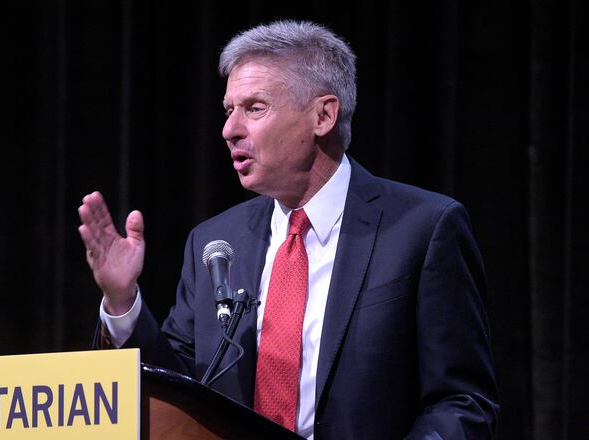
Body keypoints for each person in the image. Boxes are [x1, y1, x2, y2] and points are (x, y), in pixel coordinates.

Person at [78, 20, 499, 439]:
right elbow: (176, 391)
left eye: (254, 108)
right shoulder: (215, 243)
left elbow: (462, 403)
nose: (229, 130)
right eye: (229, 111)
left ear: (323, 115)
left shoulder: (423, 229)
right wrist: (122, 301)